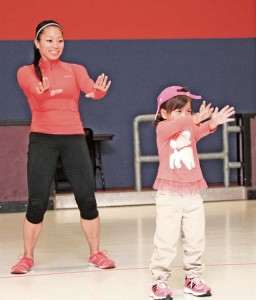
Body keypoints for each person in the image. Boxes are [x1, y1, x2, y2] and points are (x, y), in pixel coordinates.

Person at [11, 20, 115, 274]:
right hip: (43, 138)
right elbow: (32, 88)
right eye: (49, 40)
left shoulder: (75, 69)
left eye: (59, 40)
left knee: (86, 198)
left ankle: (96, 253)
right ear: (37, 43)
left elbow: (91, 90)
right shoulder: (27, 71)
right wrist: (41, 88)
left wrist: (98, 92)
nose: (55, 45)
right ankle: (27, 257)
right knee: (37, 202)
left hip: (73, 138)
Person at [149, 86, 235, 299]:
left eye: (188, 111)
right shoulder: (163, 130)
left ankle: (193, 277)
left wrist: (213, 122)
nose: (185, 116)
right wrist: (195, 118)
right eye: (179, 111)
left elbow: (201, 130)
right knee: (166, 240)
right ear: (164, 113)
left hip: (192, 194)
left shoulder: (189, 128)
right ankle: (159, 280)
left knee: (195, 238)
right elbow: (179, 125)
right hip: (168, 195)